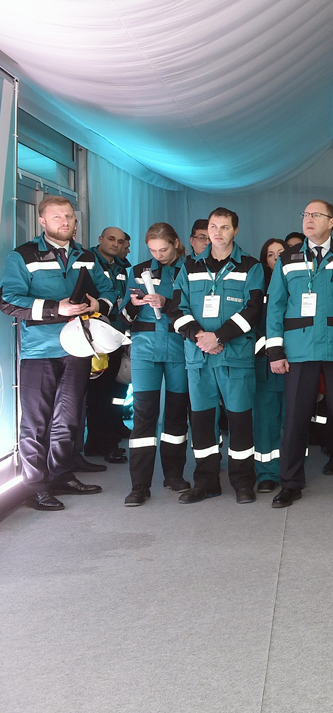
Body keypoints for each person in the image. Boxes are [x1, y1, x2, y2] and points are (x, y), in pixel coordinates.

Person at [0, 195, 115, 510]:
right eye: (57, 217)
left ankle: (62, 475)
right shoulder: (23, 255)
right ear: (42, 221)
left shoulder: (86, 256)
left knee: (68, 418)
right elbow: (8, 300)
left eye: (69, 216)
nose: (65, 222)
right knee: (36, 422)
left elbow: (109, 292)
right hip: (40, 350)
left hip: (78, 347)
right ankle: (34, 487)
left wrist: (97, 304)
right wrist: (56, 308)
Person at [266, 199, 333, 507]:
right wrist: (275, 351)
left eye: (316, 214)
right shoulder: (288, 258)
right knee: (295, 420)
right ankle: (290, 484)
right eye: (305, 214)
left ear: (332, 221)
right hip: (299, 351)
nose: (308, 219)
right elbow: (275, 307)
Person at [168, 207, 264, 504]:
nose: (218, 233)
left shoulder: (250, 266)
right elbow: (176, 309)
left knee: (240, 420)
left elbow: (253, 310)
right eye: (213, 227)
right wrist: (201, 337)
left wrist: (219, 337)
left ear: (235, 230)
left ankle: (243, 482)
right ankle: (206, 481)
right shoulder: (190, 266)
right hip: (199, 358)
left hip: (235, 357)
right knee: (201, 421)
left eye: (224, 227)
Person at [120, 223, 191, 504]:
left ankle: (174, 475)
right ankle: (139, 484)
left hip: (179, 348)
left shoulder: (191, 269)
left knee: (176, 413)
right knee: (144, 414)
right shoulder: (138, 271)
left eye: (163, 249)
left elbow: (195, 309)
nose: (158, 255)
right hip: (145, 350)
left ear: (176, 243)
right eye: (153, 250)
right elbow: (123, 317)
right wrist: (134, 305)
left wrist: (166, 302)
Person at [83, 225, 132, 466]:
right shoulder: (88, 261)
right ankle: (103, 443)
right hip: (95, 336)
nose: (116, 244)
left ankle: (105, 436)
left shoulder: (121, 267)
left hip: (117, 334)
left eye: (120, 241)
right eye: (111, 239)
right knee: (99, 393)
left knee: (115, 390)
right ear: (100, 239)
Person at [252, 238, 287, 492]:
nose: (276, 258)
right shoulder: (257, 287)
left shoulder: (301, 283)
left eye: (281, 253)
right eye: (271, 255)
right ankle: (266, 472)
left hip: (295, 361)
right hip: (264, 362)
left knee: (293, 420)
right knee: (265, 420)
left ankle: (292, 470)